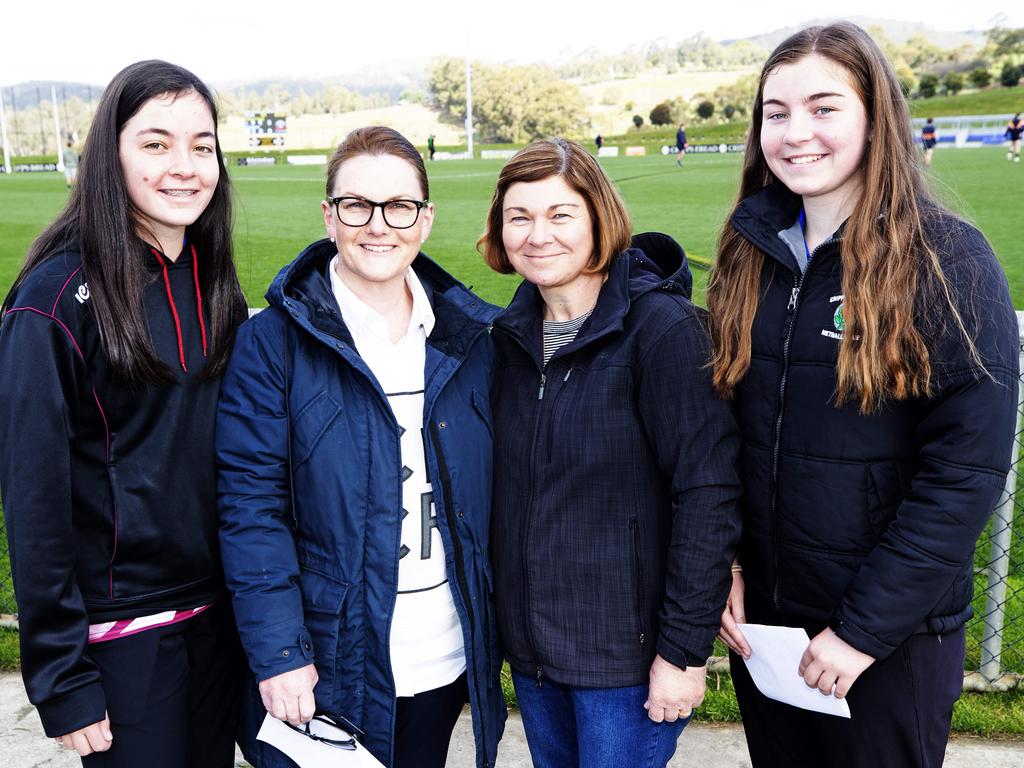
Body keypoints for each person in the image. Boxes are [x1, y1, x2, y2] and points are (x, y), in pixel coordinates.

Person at [708, 23, 1019, 768]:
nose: (795, 133)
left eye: (823, 108)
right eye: (775, 112)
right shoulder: (750, 251)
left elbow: (964, 473)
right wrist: (723, 562)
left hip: (887, 640)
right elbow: (723, 433)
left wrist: (862, 632)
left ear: (875, 116)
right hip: (773, 631)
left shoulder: (947, 259)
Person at [216, 126, 506, 768]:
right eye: (357, 205)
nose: (379, 225)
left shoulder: (472, 338)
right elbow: (251, 509)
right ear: (329, 215)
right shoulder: (272, 344)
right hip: (330, 660)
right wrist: (281, 653)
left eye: (400, 206)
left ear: (426, 219)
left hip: (443, 655)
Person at [0, 60, 248, 767]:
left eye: (203, 146)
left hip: (216, 619)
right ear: (111, 152)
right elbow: (33, 499)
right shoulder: (53, 299)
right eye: (156, 143)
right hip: (124, 639)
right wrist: (61, 675)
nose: (185, 166)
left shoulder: (212, 279)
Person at [481, 138, 742, 768]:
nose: (537, 235)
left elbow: (708, 496)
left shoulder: (664, 331)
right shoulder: (507, 340)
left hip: (628, 658)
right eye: (520, 217)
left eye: (560, 215)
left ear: (599, 218)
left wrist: (681, 653)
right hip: (538, 655)